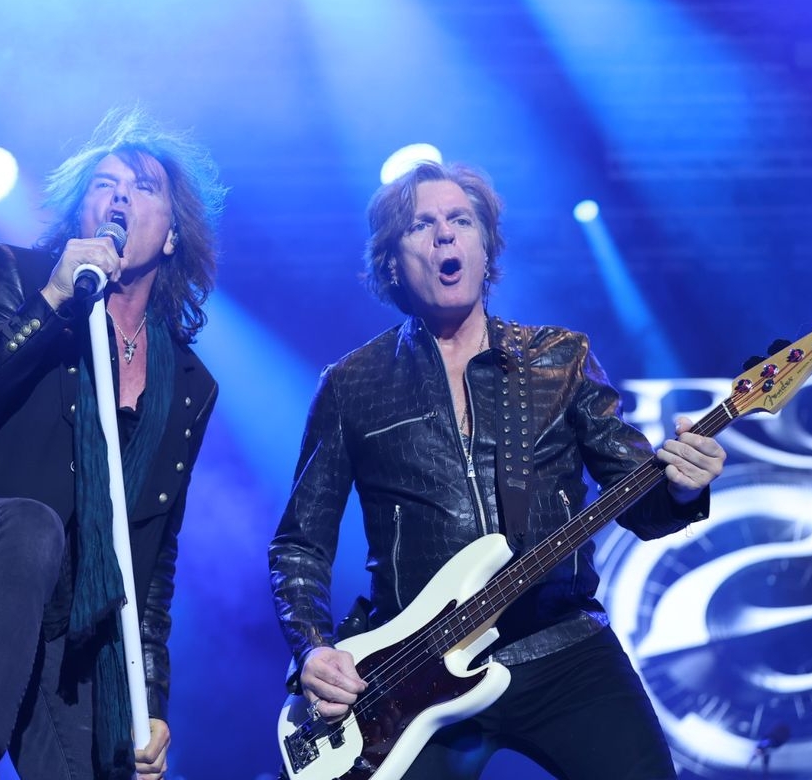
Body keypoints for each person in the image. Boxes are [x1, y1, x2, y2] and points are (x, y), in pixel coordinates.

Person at [269, 161, 726, 780]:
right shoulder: (352, 385)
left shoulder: (559, 359)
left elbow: (641, 502)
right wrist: (313, 647)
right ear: (392, 263)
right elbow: (299, 543)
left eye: (461, 220)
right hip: (410, 672)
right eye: (421, 226)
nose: (445, 235)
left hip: (562, 648)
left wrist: (681, 485)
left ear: (486, 248)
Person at [0, 108, 226, 780]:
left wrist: (153, 703)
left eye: (142, 188)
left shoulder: (190, 385)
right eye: (103, 184)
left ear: (173, 235)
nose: (117, 197)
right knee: (29, 526)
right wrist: (51, 302)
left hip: (63, 620)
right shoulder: (19, 275)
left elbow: (150, 555)